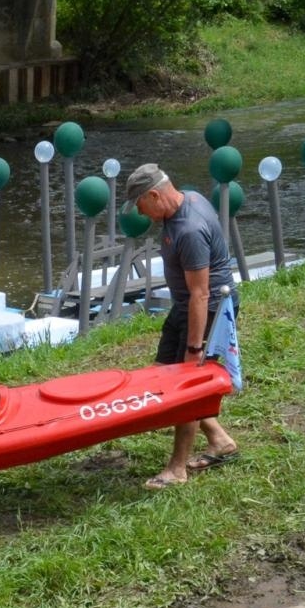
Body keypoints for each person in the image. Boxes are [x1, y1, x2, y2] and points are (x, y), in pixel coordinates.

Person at [125, 163, 240, 490]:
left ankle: (177, 469)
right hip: (184, 306)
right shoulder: (188, 198)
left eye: (140, 204)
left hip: (207, 309)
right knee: (161, 377)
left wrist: (194, 348)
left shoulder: (188, 229)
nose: (139, 212)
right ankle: (219, 440)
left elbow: (201, 294)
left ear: (154, 195)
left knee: (185, 389)